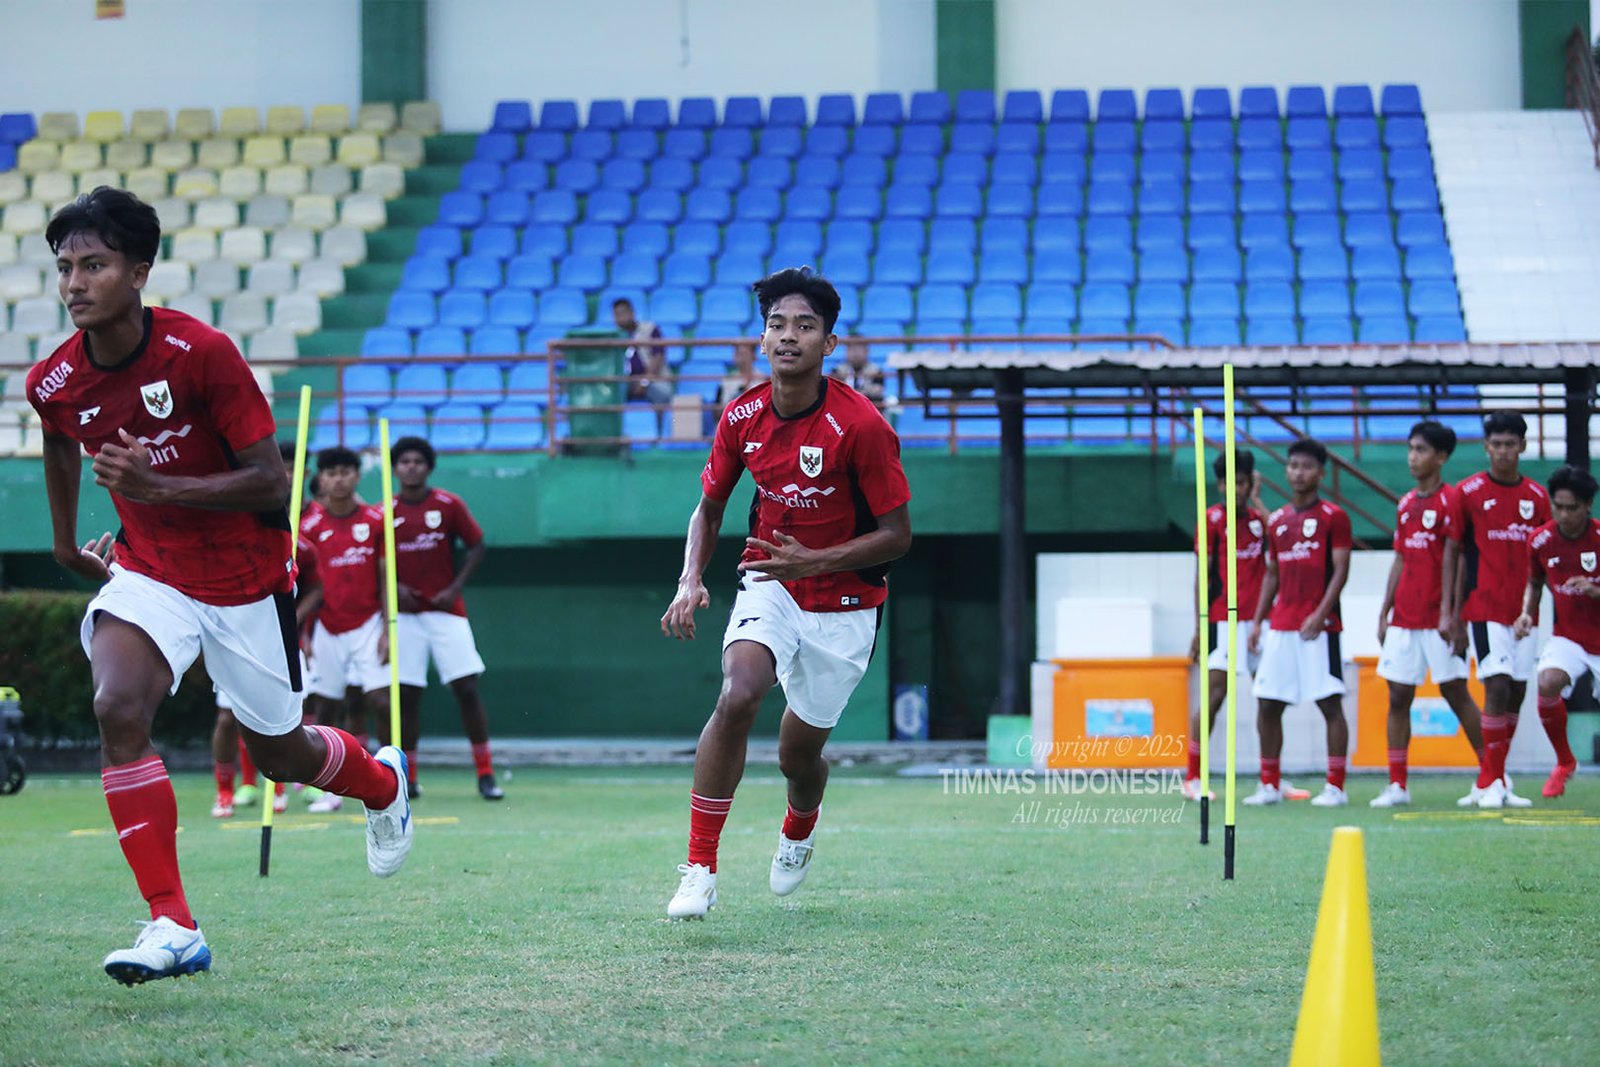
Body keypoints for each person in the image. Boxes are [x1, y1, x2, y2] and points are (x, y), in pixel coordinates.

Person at [24, 187, 412, 985]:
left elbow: (271, 483)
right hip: (149, 573)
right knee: (117, 707)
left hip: (247, 582)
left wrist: (158, 488)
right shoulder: (54, 379)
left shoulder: (203, 354)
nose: (74, 283)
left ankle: (381, 781)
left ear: (139, 271)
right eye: (64, 267)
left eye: (93, 265)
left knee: (283, 754)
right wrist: (66, 542)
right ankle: (173, 921)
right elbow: (59, 440)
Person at [659, 267, 912, 920]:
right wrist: (690, 579)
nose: (789, 336)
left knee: (798, 757)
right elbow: (709, 509)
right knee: (738, 693)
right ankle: (699, 867)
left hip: (849, 604)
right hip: (770, 579)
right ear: (762, 338)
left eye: (805, 325)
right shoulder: (741, 414)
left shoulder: (862, 426)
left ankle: (800, 825)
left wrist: (818, 559)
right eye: (777, 324)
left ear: (830, 343)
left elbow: (898, 535)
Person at [1372, 421, 1484, 807]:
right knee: (1398, 696)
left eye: (1420, 450)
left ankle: (1493, 778)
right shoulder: (1405, 504)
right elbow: (1400, 559)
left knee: (1456, 692)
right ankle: (1397, 785)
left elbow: (1461, 561)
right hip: (1405, 617)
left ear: (1441, 456)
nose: (1412, 457)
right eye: (1410, 449)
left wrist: (1454, 615)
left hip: (1440, 617)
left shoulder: (1453, 501)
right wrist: (1384, 611)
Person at [390, 435, 503, 801]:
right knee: (407, 696)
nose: (411, 467)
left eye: (417, 462)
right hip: (404, 618)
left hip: (446, 613)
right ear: (395, 468)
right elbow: (374, 564)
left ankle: (485, 773)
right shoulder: (383, 512)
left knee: (467, 689)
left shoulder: (448, 504)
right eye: (404, 461)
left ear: (429, 467)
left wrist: (454, 588)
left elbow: (478, 545)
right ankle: (410, 778)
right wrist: (394, 588)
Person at [1245, 438, 1353, 807]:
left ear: (1321, 473)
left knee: (1329, 704)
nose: (1298, 473)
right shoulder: (1277, 521)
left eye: (1307, 467)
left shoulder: (1333, 517)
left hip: (1319, 629)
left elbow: (1341, 570)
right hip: (1281, 626)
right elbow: (1271, 575)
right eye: (1293, 466)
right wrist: (1259, 621)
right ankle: (1269, 784)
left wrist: (1320, 614)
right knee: (1267, 704)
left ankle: (1335, 787)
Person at [1454, 411, 1550, 808]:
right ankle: (1491, 779)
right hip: (1484, 607)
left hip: (1525, 614)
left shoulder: (1538, 497)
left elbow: (1544, 563)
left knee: (1517, 691)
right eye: (1497, 444)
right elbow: (1457, 555)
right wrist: (1454, 613)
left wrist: (1535, 608)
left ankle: (1494, 780)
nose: (1504, 451)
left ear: (1523, 447)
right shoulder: (1468, 492)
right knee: (1495, 686)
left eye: (1511, 444)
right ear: (1486, 446)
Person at [297, 447, 395, 808]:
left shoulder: (375, 520)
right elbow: (302, 587)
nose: (338, 479)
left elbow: (386, 579)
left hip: (369, 623)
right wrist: (302, 634)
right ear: (321, 480)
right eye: (331, 473)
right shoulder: (306, 529)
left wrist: (387, 628)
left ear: (357, 476)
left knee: (382, 703)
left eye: (345, 472)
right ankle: (329, 791)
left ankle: (391, 779)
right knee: (325, 709)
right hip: (326, 627)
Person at [1184, 449, 1266, 802]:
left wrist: (1259, 500)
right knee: (1214, 696)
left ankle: (1271, 780)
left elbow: (1278, 535)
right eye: (1227, 482)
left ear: (1250, 484)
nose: (1234, 489)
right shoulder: (1212, 520)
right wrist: (1200, 626)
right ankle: (1192, 777)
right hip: (1222, 620)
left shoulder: (1263, 520)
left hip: (1262, 624)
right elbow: (1201, 576)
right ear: (1219, 485)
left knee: (1269, 701)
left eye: (1241, 482)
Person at [1513, 464, 1597, 799]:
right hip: (1570, 638)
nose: (1563, 514)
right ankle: (1564, 763)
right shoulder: (1541, 540)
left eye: (1572, 508)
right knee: (1546, 682)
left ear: (1588, 505)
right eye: (1557, 507)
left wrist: (1595, 591)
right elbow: (1534, 582)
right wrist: (1525, 615)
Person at [614, 297, 673, 405]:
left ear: (632, 313)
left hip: (652, 380)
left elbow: (658, 358)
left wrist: (644, 382)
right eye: (617, 315)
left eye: (623, 313)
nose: (621, 318)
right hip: (627, 382)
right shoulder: (615, 337)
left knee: (663, 394)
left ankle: (660, 422)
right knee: (611, 394)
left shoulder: (650, 329)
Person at [828, 343, 885, 409]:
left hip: (868, 408)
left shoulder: (876, 370)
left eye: (859, 349)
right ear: (846, 352)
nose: (856, 354)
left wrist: (850, 393)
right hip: (844, 408)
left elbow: (877, 392)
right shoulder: (837, 370)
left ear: (867, 352)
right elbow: (834, 392)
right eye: (852, 350)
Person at [716, 343, 762, 413]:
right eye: (738, 353)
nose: (741, 358)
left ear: (754, 356)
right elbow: (719, 411)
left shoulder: (763, 380)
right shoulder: (727, 381)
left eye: (745, 353)